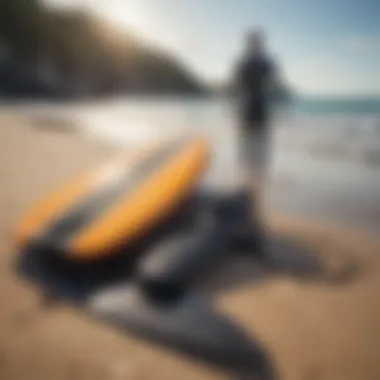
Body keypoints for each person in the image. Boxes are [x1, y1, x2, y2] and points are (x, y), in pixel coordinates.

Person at [233, 28, 281, 253]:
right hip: (259, 118)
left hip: (246, 118)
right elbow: (274, 87)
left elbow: (237, 89)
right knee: (258, 168)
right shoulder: (266, 64)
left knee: (248, 167)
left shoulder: (242, 64)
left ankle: (248, 212)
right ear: (260, 43)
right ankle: (254, 213)